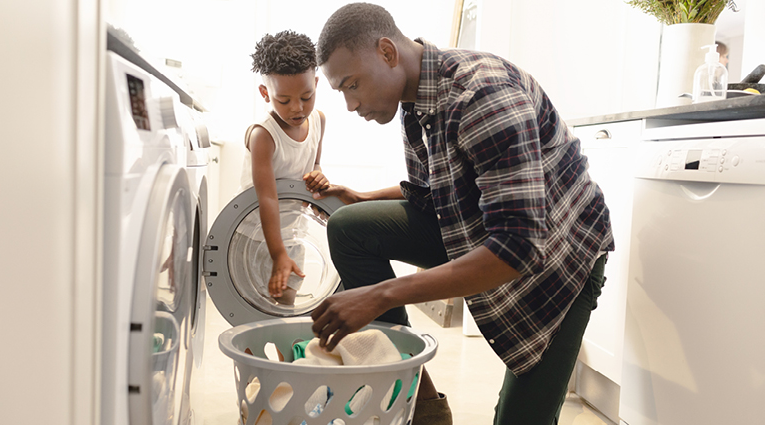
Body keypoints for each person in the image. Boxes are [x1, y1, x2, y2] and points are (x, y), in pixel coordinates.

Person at [309, 3, 614, 425]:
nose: (349, 103)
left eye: (352, 84)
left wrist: (379, 296)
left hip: (560, 257)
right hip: (492, 234)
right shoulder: (415, 100)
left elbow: (518, 247)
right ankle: (422, 402)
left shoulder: (483, 96)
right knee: (349, 228)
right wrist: (362, 199)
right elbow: (435, 194)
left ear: (387, 52)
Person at [241, 30, 331, 305]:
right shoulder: (263, 136)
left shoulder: (319, 121)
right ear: (265, 93)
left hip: (293, 232)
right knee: (255, 309)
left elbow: (313, 165)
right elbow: (266, 196)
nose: (297, 108)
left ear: (316, 83)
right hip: (254, 237)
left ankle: (287, 350)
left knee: (287, 305)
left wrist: (318, 175)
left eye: (307, 96)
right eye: (284, 100)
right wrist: (277, 253)